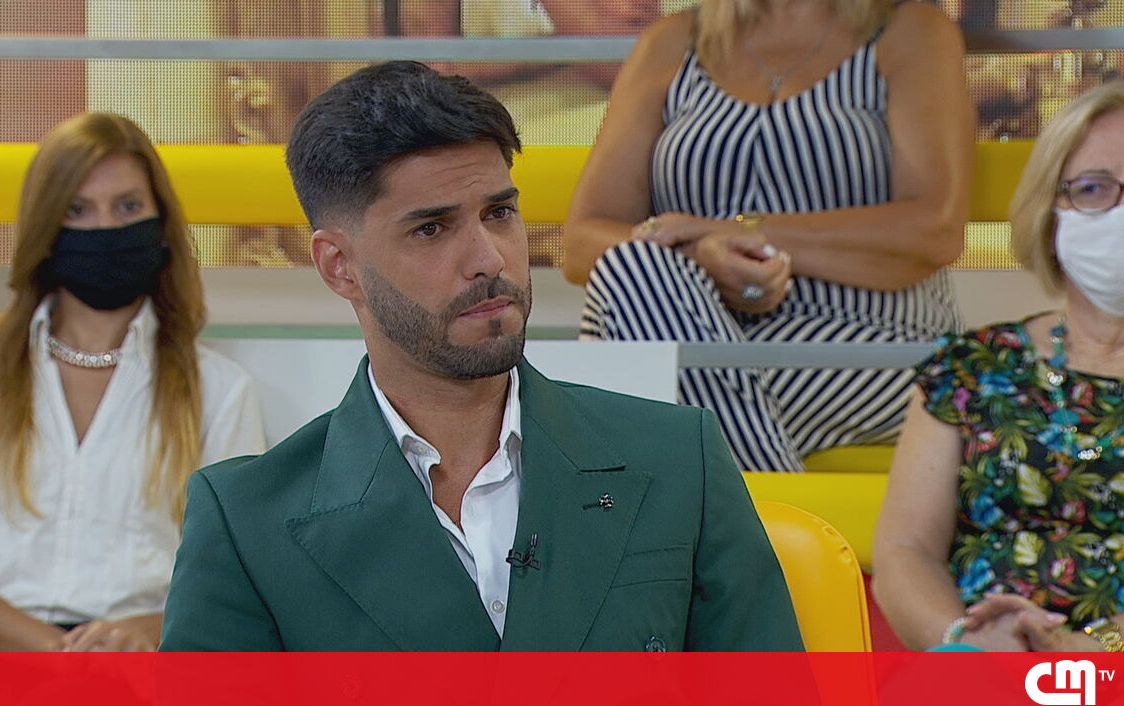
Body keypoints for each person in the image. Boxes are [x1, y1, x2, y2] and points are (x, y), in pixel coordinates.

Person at [159, 61, 802, 652]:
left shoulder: (678, 459)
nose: (489, 260)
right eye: (431, 228)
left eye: (499, 213)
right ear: (339, 266)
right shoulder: (246, 522)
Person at [0, 113, 266, 652]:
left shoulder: (220, 390)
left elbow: (234, 577)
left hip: (142, 669)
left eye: (127, 207)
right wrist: (57, 656)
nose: (105, 228)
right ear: (45, 230)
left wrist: (146, 633)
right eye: (77, 210)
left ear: (161, 225)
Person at [563, 0, 973, 471]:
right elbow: (581, 242)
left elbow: (933, 230)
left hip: (875, 339)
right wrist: (702, 254)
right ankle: (752, 505)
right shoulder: (672, 41)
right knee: (632, 265)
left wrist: (741, 233)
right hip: (687, 320)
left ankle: (711, 500)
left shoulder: (911, 30)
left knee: (627, 403)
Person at [872, 81, 1124, 652]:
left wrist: (1092, 653)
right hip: (981, 668)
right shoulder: (971, 367)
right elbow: (905, 552)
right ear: (1048, 215)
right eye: (1092, 188)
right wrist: (967, 644)